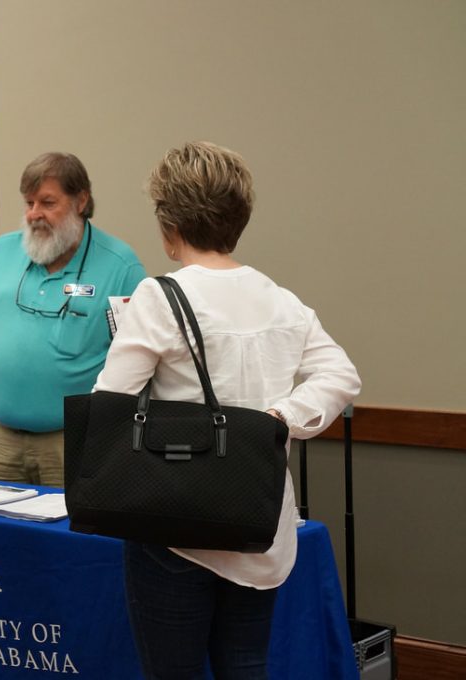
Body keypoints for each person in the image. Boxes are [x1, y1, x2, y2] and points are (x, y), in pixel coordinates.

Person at [94, 141, 362, 679]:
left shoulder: (158, 296)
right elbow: (342, 376)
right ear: (238, 219)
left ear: (169, 223)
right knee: (246, 667)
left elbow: (109, 403)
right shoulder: (280, 298)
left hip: (175, 524)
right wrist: (280, 418)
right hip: (259, 522)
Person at [0, 152, 146, 486]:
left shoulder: (121, 266)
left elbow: (142, 352)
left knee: (72, 537)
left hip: (76, 443)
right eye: (29, 203)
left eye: (47, 203)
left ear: (80, 201)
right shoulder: (0, 253)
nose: (34, 214)